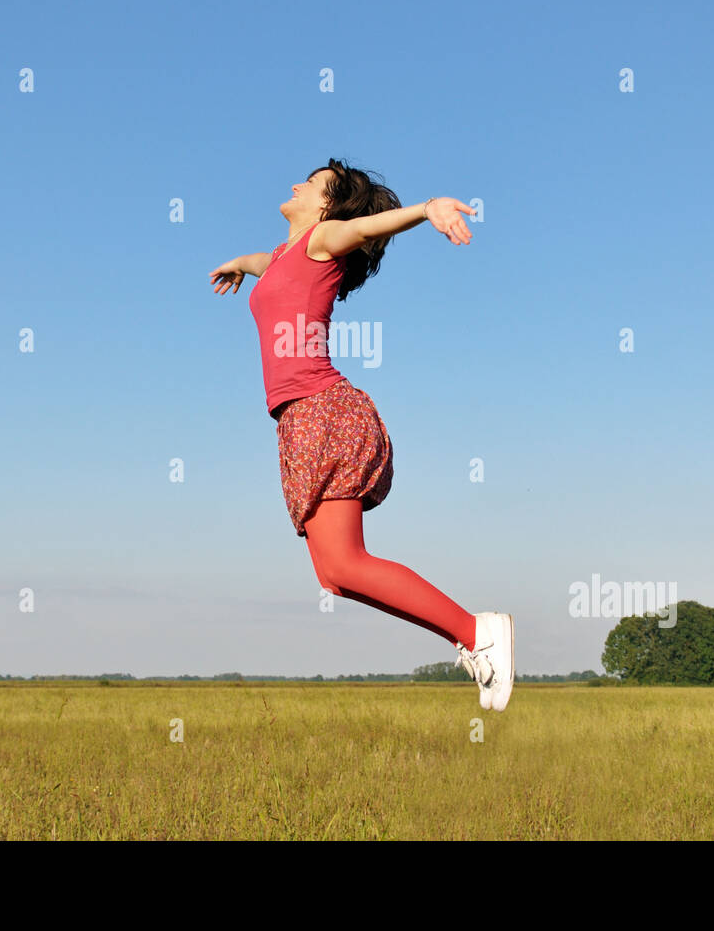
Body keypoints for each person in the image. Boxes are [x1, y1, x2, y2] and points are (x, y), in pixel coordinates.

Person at [208, 158, 514, 711]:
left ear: (326, 205)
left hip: (326, 412)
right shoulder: (281, 256)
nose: (296, 183)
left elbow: (367, 228)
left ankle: (477, 631)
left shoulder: (324, 238)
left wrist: (428, 209)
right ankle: (469, 637)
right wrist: (239, 264)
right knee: (336, 575)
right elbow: (263, 264)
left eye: (312, 183)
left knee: (346, 563)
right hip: (300, 421)